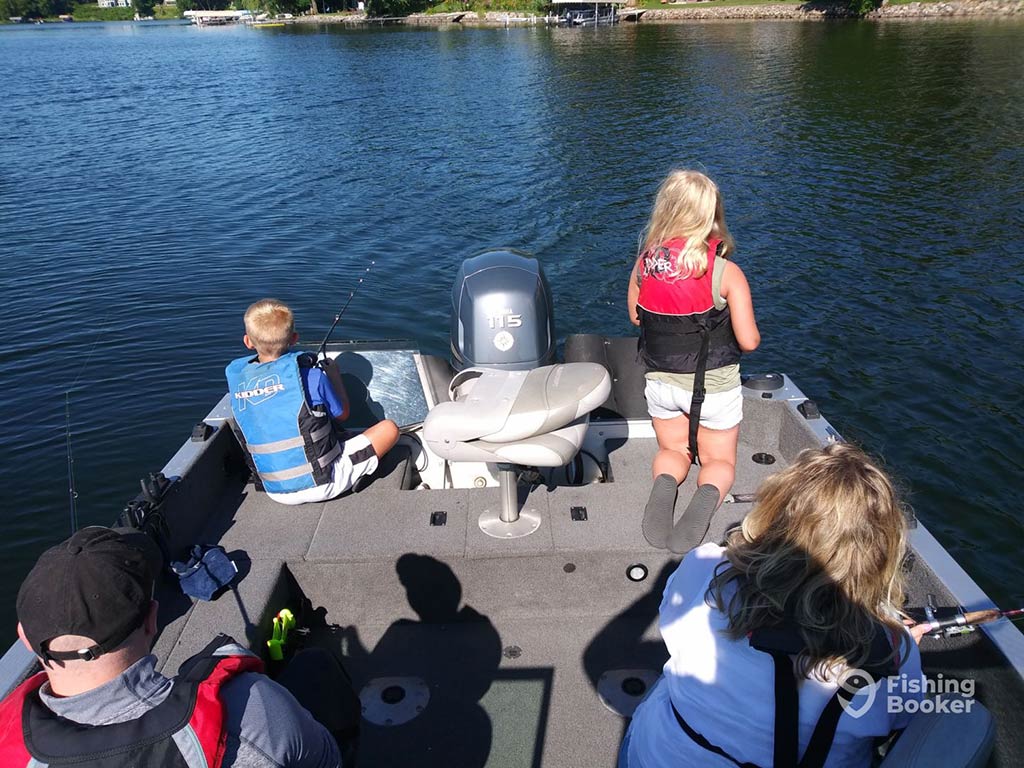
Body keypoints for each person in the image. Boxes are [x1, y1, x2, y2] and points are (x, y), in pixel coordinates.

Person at [619, 443, 925, 768]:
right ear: (881, 550)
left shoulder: (708, 568)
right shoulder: (894, 651)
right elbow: (902, 720)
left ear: (776, 512)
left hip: (658, 759)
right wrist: (900, 643)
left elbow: (671, 619)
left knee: (667, 685)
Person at [0, 526, 343, 767]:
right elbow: (327, 759)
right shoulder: (248, 706)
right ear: (152, 620)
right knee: (316, 668)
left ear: (26, 638)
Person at [627, 170, 760, 553]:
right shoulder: (725, 272)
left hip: (662, 382)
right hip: (714, 387)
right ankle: (707, 494)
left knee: (672, 451)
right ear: (711, 215)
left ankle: (665, 483)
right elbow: (749, 341)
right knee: (718, 460)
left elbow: (637, 317)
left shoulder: (644, 265)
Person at [226, 298, 400, 506]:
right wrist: (334, 376)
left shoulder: (239, 380)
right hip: (323, 483)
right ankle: (359, 475)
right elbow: (342, 414)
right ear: (294, 338)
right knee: (389, 429)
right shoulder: (313, 377)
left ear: (248, 341)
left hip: (273, 489)